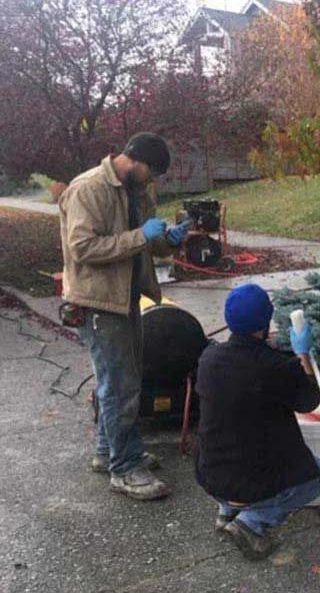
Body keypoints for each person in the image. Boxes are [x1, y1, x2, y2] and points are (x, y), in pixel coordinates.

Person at [58, 132, 189, 501]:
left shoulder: (136, 189)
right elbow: (82, 248)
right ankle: (126, 468)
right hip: (98, 302)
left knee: (117, 380)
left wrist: (170, 240)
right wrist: (138, 237)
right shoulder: (89, 189)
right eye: (152, 172)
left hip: (126, 297)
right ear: (134, 160)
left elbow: (146, 238)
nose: (153, 181)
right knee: (121, 386)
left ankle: (107, 451)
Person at [194, 284, 320, 560]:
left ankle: (227, 512)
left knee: (236, 443)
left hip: (208, 473)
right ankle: (250, 523)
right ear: (265, 321)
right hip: (247, 481)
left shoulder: (208, 358)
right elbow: (310, 401)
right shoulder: (275, 366)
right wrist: (302, 354)